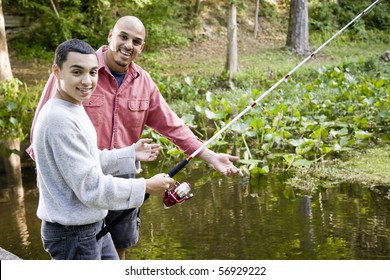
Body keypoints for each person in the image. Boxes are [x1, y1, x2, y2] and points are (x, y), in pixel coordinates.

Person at [27, 16, 243, 260]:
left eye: (136, 41)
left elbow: (172, 125)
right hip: (79, 187)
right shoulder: (72, 71)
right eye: (123, 36)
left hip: (120, 173)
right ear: (111, 36)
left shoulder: (143, 82)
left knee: (119, 245)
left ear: (142, 47)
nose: (129, 44)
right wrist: (47, 179)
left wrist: (210, 156)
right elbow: (42, 131)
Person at [32, 38, 174, 260]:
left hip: (91, 225)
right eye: (77, 72)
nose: (87, 81)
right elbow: (91, 187)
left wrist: (129, 153)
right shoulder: (58, 119)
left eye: (93, 72)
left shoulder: (71, 106)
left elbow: (87, 161)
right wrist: (145, 186)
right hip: (72, 234)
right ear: (57, 72)